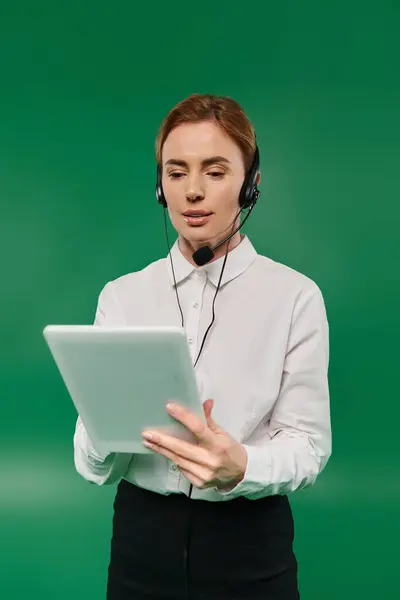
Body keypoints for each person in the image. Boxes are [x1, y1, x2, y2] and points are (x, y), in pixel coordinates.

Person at [73, 93, 332, 600]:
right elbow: (92, 466)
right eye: (176, 172)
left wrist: (243, 466)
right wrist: (103, 430)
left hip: (250, 544)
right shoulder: (122, 297)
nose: (192, 191)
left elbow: (308, 445)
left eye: (214, 172)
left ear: (251, 185)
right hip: (139, 544)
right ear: (159, 186)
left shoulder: (295, 297)